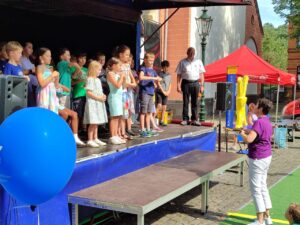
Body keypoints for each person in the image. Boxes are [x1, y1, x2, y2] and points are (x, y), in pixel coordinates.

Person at [36, 47, 85, 146]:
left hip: (53, 96)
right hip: (45, 96)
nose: (50, 58)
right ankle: (49, 137)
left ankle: (62, 135)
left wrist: (63, 87)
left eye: (50, 56)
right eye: (48, 56)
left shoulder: (50, 68)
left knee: (67, 114)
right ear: (41, 57)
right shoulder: (39, 67)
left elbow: (55, 85)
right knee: (49, 117)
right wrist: (52, 75)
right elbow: (42, 83)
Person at [240, 98, 273, 225]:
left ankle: (260, 221)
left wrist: (243, 133)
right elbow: (258, 134)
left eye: (257, 105)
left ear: (260, 108)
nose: (255, 107)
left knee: (256, 189)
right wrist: (248, 130)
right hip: (266, 157)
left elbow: (249, 139)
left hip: (258, 158)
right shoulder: (266, 121)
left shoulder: (259, 122)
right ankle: (267, 218)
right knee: (263, 186)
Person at [176, 47, 205, 126]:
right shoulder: (182, 62)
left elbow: (202, 74)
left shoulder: (198, 62)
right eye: (190, 54)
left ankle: (194, 119)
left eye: (193, 54)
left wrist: (202, 85)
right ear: (187, 54)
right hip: (185, 83)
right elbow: (178, 74)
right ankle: (185, 119)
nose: (191, 55)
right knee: (185, 101)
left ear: (194, 54)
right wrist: (178, 85)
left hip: (196, 83)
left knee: (195, 102)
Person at [113, 45, 137, 138]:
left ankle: (123, 132)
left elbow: (131, 77)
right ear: (120, 55)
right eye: (126, 54)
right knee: (120, 113)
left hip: (127, 93)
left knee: (125, 112)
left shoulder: (127, 65)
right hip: (120, 92)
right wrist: (129, 84)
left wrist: (133, 83)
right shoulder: (117, 65)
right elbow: (121, 81)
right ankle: (118, 133)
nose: (128, 56)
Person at [83, 60, 108, 147]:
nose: (100, 72)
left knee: (96, 122)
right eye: (98, 70)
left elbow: (99, 91)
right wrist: (98, 98)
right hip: (93, 103)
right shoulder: (90, 79)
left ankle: (95, 138)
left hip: (98, 102)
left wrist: (103, 95)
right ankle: (90, 139)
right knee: (93, 122)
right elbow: (89, 93)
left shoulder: (97, 80)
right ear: (93, 69)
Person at [138, 52, 162, 138]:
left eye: (152, 60)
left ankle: (148, 129)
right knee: (143, 112)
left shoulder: (153, 71)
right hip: (144, 92)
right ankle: (142, 129)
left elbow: (157, 79)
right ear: (145, 60)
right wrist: (153, 78)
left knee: (149, 112)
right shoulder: (143, 68)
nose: (151, 62)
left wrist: (158, 81)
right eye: (150, 60)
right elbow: (141, 77)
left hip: (151, 92)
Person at [107, 57, 126, 145]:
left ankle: (116, 135)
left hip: (119, 97)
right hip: (114, 97)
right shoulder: (110, 74)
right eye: (119, 65)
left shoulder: (117, 74)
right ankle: (112, 136)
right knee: (114, 117)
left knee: (118, 117)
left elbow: (123, 85)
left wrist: (124, 78)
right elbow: (117, 85)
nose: (120, 67)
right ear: (114, 65)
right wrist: (122, 76)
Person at [72, 52, 88, 132]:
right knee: (77, 113)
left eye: (85, 58)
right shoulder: (74, 68)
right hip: (77, 94)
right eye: (81, 58)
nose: (83, 60)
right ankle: (76, 130)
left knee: (85, 113)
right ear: (78, 59)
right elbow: (71, 82)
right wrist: (79, 80)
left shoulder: (86, 69)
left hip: (86, 94)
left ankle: (84, 129)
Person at [20, 42, 39, 107]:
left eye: (32, 48)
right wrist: (31, 70)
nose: (31, 49)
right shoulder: (20, 59)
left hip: (35, 87)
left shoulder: (31, 60)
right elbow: (19, 72)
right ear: (23, 48)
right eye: (29, 47)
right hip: (28, 87)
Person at [156, 60, 172, 126]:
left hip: (166, 92)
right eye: (164, 67)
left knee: (164, 107)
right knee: (159, 105)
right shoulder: (160, 74)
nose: (166, 68)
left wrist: (168, 91)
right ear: (162, 67)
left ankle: (162, 120)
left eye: (167, 67)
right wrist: (163, 91)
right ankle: (153, 117)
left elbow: (170, 84)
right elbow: (158, 84)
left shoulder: (169, 75)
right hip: (160, 92)